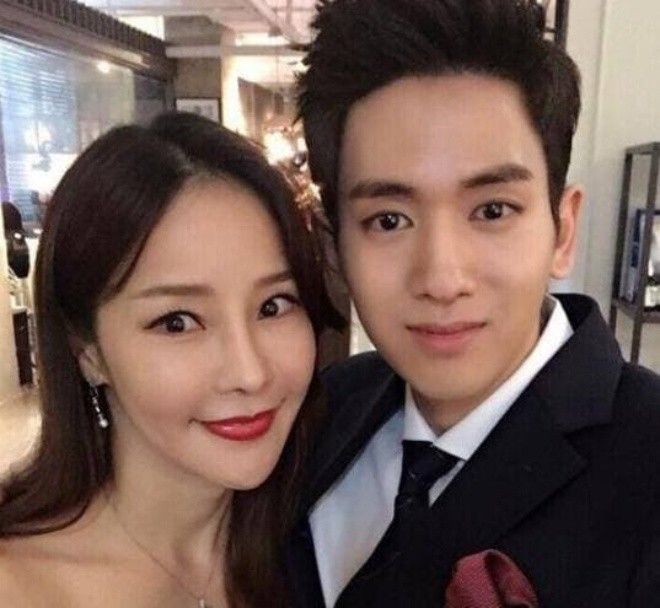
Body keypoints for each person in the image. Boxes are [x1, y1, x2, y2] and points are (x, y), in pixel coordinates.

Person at [285, 0, 660, 606]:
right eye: (388, 219)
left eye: (492, 210)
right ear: (335, 248)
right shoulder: (325, 410)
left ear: (563, 230)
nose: (442, 278)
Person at [0, 111, 339, 607]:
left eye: (273, 306)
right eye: (177, 322)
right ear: (87, 351)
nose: (249, 373)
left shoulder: (317, 542)